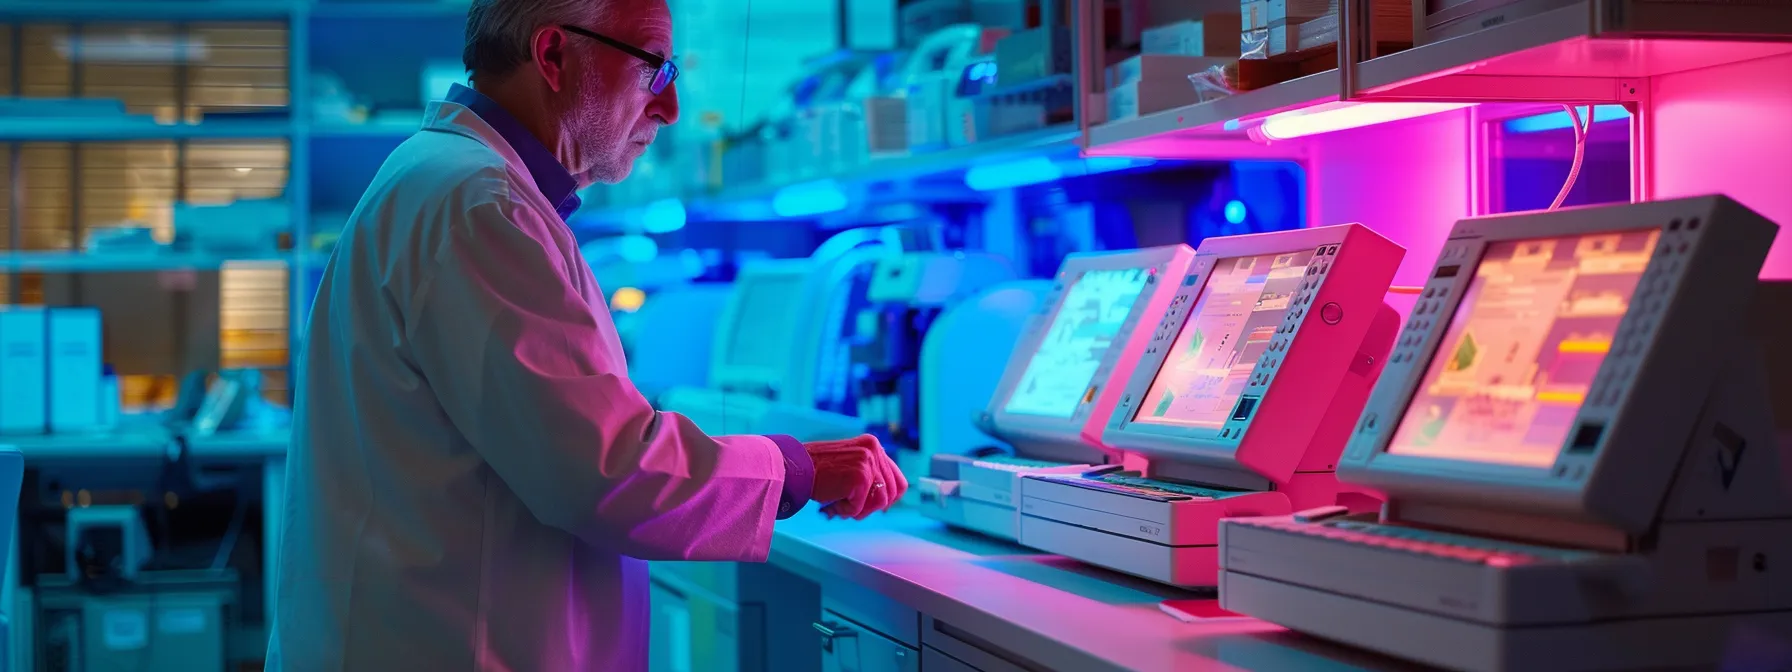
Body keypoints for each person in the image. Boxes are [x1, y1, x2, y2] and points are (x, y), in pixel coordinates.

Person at [266, 0, 908, 669]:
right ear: (553, 56)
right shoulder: (482, 204)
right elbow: (606, 471)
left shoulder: (447, 179)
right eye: (655, 70)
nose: (671, 108)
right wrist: (797, 468)